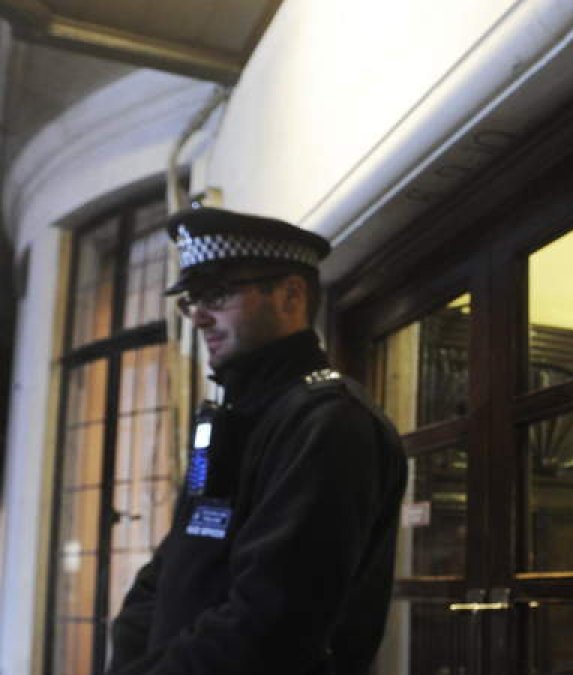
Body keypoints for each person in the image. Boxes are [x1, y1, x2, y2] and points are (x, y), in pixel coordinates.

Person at [106, 207, 406, 675]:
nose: (199, 317)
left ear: (290, 295)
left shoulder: (330, 423)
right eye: (192, 300)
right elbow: (170, 569)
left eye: (218, 293)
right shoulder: (240, 415)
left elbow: (270, 624)